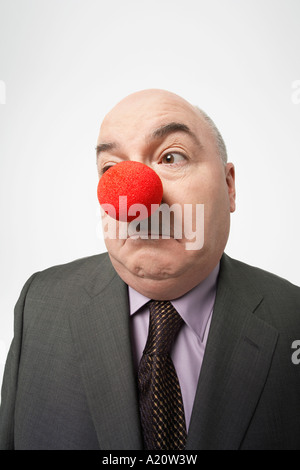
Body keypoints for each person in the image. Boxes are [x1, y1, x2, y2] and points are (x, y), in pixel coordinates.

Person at [0, 89, 299, 450]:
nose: (136, 196)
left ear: (229, 185)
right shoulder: (40, 305)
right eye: (112, 169)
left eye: (172, 157)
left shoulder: (292, 317)